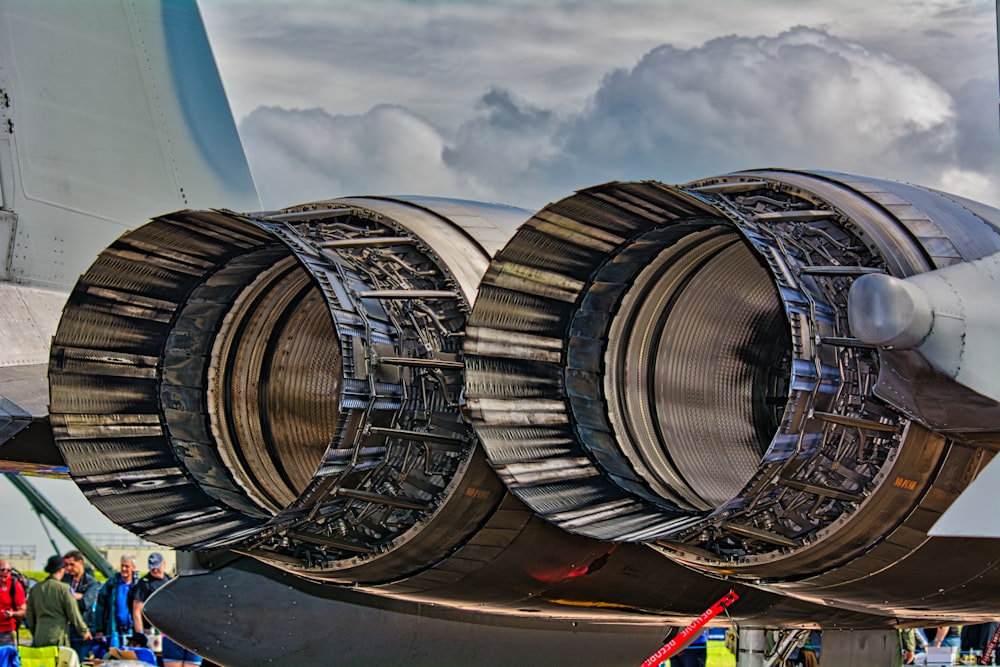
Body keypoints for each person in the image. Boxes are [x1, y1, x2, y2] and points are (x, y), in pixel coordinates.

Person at [129, 553, 203, 667]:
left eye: (157, 566)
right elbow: (137, 611)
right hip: (161, 635)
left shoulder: (169, 581)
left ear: (164, 564)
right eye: (152, 567)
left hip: (189, 635)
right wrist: (140, 635)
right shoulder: (145, 583)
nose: (155, 570)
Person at [25, 555, 92, 648]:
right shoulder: (64, 589)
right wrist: (84, 631)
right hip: (58, 635)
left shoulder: (35, 589)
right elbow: (73, 613)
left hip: (40, 635)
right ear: (61, 570)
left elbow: (30, 616)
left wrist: (35, 632)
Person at [62, 550, 100, 660]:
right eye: (66, 565)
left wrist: (69, 597)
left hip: (82, 630)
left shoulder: (91, 582)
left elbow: (84, 604)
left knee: (81, 661)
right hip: (66, 630)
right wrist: (77, 596)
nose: (68, 568)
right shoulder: (64, 579)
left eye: (72, 564)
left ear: (80, 562)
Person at [94, 555, 138, 648]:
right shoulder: (111, 584)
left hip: (131, 630)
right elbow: (100, 606)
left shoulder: (138, 586)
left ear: (133, 568)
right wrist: (99, 629)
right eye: (122, 566)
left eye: (127, 566)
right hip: (114, 630)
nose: (124, 569)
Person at [0, 560, 26, 647]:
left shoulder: (15, 585)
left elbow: (23, 611)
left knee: (5, 659)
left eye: (8, 570)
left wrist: (12, 614)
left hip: (6, 631)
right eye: (2, 570)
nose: (3, 579)